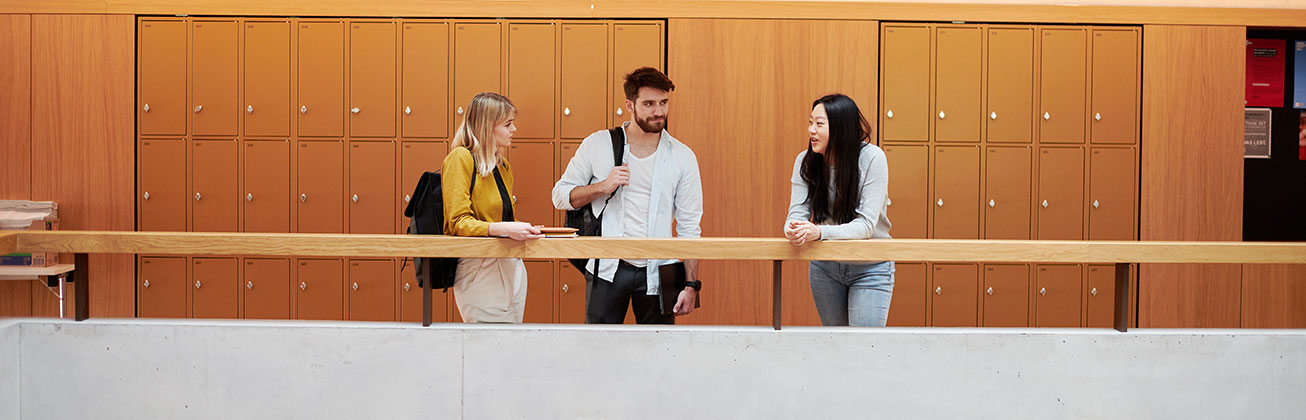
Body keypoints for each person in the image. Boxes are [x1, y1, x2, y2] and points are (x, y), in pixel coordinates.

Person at [552, 67, 703, 324]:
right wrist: (602, 187)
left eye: (663, 102)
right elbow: (560, 196)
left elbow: (689, 227)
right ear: (630, 105)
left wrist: (691, 285)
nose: (659, 111)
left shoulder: (682, 156)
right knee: (600, 345)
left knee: (660, 345)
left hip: (661, 269)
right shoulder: (598, 144)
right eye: (649, 104)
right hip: (607, 267)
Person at [784, 93, 894, 327]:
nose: (811, 130)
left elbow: (866, 226)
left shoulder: (872, 158)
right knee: (835, 344)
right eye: (810, 122)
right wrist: (793, 229)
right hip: (826, 265)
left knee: (863, 346)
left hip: (870, 266)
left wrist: (819, 232)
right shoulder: (805, 161)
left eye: (819, 124)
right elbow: (797, 213)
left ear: (840, 127)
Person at [443, 92, 543, 323]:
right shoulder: (460, 158)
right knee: (489, 339)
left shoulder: (502, 166)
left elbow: (502, 220)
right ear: (487, 126)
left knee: (511, 338)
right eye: (507, 124)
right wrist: (504, 228)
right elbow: (457, 222)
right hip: (480, 267)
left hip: (510, 263)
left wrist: (522, 229)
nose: (514, 129)